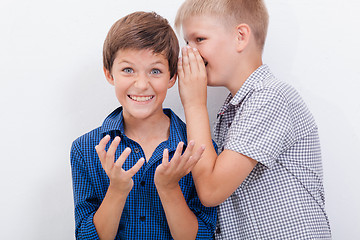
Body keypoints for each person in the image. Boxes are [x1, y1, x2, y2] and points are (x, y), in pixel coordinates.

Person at [174, 0, 332, 239]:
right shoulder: (233, 110)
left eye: (199, 39)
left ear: (240, 36)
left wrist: (194, 104)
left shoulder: (270, 97)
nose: (190, 51)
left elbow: (210, 190)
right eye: (187, 42)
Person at [70, 11, 217, 240]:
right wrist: (117, 188)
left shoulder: (197, 149)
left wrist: (169, 187)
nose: (141, 84)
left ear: (171, 78)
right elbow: (87, 237)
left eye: (155, 71)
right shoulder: (85, 149)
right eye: (128, 70)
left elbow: (203, 236)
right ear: (109, 74)